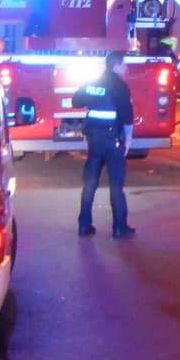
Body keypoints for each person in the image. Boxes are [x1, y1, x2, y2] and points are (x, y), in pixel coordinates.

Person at [75, 56, 136, 239]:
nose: (126, 67)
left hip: (94, 139)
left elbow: (76, 101)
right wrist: (129, 138)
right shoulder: (119, 86)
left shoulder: (92, 82)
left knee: (90, 182)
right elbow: (127, 115)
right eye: (124, 64)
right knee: (116, 184)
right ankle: (119, 227)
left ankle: (84, 225)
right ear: (116, 65)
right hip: (112, 139)